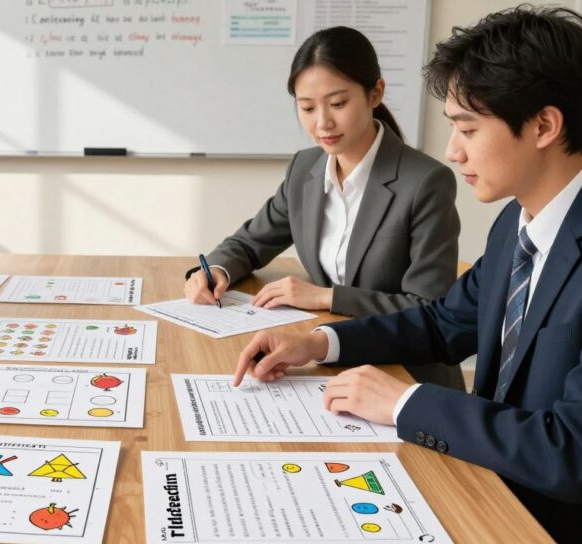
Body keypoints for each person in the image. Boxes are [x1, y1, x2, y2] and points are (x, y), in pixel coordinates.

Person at [233, 6, 582, 544]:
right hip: (491, 488)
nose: (453, 151)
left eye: (468, 128)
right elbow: (441, 323)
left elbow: (573, 454)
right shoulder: (520, 222)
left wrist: (403, 404)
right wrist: (319, 343)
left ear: (543, 126)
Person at [185, 26, 463, 388]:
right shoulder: (305, 168)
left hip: (403, 373)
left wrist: (326, 296)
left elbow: (429, 310)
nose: (322, 123)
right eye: (307, 107)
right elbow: (251, 241)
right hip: (329, 360)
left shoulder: (425, 182)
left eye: (338, 104)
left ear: (375, 93)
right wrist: (216, 270)